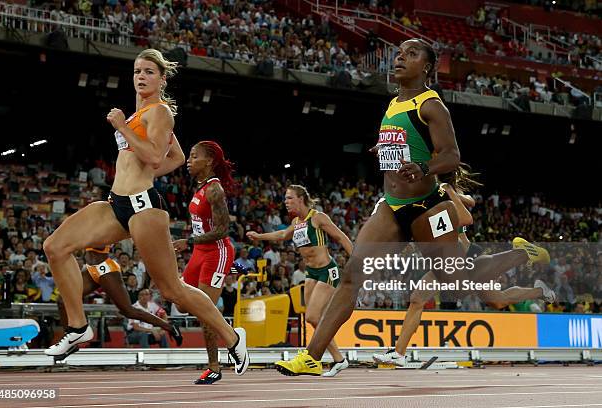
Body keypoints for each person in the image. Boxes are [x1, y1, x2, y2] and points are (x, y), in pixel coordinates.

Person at [42, 49, 248, 375]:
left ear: (161, 78)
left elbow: (154, 157)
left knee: (172, 290)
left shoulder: (160, 112)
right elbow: (176, 155)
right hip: (116, 205)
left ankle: (233, 337)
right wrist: (132, 134)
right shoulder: (142, 114)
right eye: (137, 70)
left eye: (149, 71)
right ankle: (79, 326)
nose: (141, 76)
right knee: (55, 247)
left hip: (144, 208)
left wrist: (123, 128)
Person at [275, 38, 471, 376]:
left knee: (455, 280)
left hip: (428, 207)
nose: (399, 58)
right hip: (393, 206)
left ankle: (509, 270)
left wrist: (424, 168)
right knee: (352, 275)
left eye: (410, 55)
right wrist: (384, 150)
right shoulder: (394, 104)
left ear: (426, 67)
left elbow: (452, 156)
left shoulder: (431, 105)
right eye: (398, 53)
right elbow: (405, 143)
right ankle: (311, 357)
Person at [373, 166, 555, 365]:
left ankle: (523, 253)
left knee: (419, 298)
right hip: (448, 257)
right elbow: (469, 201)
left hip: (463, 256)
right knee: (498, 301)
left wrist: (450, 192)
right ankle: (539, 290)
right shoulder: (428, 197)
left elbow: (467, 216)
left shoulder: (440, 193)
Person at [248, 185, 353, 377]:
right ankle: (338, 359)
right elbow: (281, 235)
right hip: (311, 273)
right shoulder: (297, 222)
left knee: (313, 317)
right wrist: (259, 236)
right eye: (285, 199)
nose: (286, 202)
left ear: (301, 199)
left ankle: (313, 358)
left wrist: (356, 262)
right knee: (314, 319)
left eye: (289, 198)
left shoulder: (318, 217)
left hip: (327, 271)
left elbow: (341, 237)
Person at [173, 141, 236, 385]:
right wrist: (192, 243)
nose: (188, 160)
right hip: (200, 251)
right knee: (182, 302)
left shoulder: (214, 190)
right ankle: (229, 331)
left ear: (208, 161)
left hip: (216, 253)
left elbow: (222, 230)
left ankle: (214, 367)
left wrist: (188, 241)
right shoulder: (200, 188)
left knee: (204, 311)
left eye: (193, 156)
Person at [56, 247, 182, 347]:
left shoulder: (99, 220)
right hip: (91, 268)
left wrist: (77, 241)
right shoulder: (82, 220)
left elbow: (98, 243)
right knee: (62, 300)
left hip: (104, 268)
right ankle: (71, 338)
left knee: (128, 310)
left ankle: (170, 326)